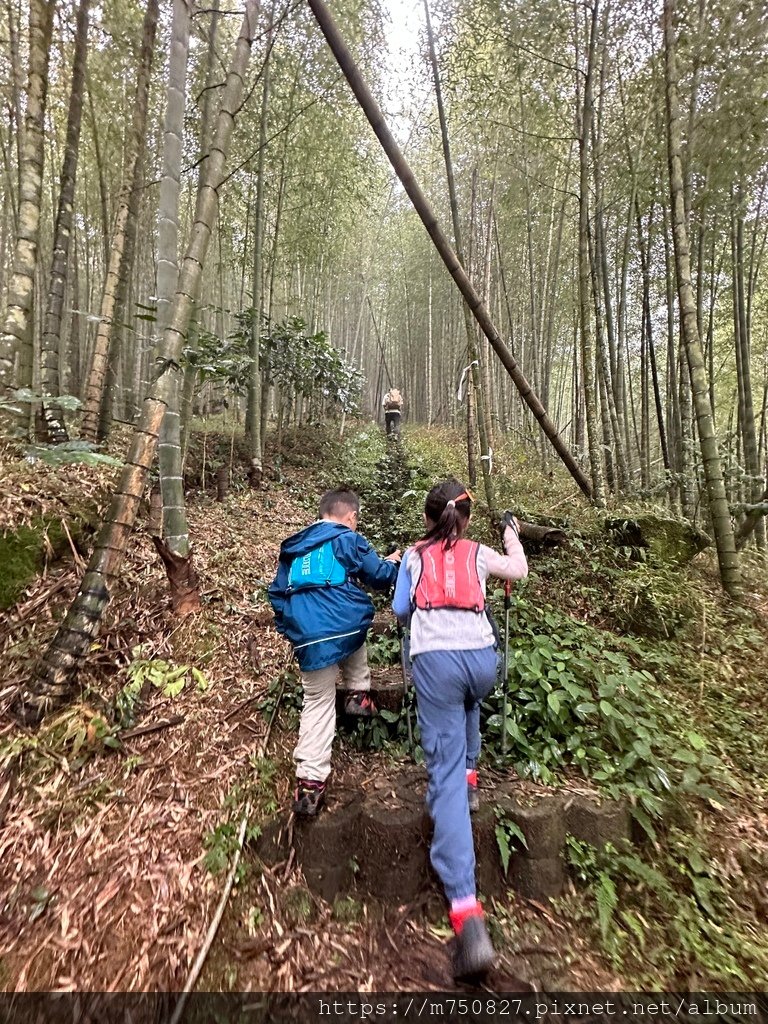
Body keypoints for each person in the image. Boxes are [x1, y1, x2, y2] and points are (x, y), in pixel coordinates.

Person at [391, 480, 527, 981]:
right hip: (481, 662)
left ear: (429, 518)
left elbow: (402, 611)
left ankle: (467, 917)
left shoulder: (412, 556)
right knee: (469, 701)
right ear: (464, 519)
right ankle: (471, 780)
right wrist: (512, 536)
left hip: (437, 666)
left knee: (440, 775)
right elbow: (519, 570)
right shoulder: (479, 552)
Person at [268, 488, 401, 816]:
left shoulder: (295, 547)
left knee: (316, 701)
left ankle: (309, 783)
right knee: (353, 628)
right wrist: (395, 563)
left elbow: (277, 594)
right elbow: (379, 576)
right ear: (351, 517)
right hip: (342, 625)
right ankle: (358, 694)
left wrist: (295, 630)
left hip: (307, 635)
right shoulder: (347, 538)